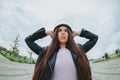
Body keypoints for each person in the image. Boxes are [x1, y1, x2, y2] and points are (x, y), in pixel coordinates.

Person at [25, 24, 98, 80]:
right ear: (55, 34)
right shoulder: (46, 51)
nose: (63, 33)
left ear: (69, 34)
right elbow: (28, 40)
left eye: (66, 31)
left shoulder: (79, 50)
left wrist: (78, 33)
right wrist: (45, 33)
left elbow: (94, 38)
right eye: (60, 31)